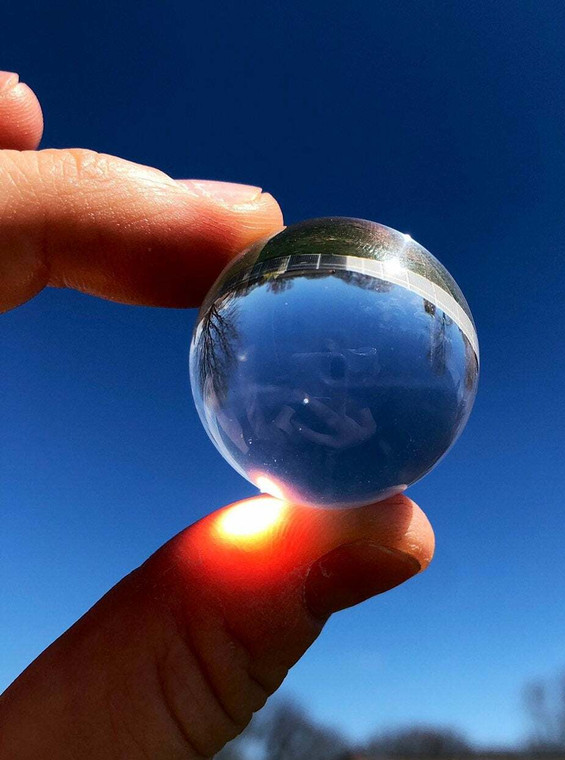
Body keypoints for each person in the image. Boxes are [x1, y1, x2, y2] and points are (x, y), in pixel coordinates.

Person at [0, 72, 434, 759]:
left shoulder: (350, 412)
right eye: (324, 364)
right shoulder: (260, 380)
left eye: (345, 366)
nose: (330, 378)